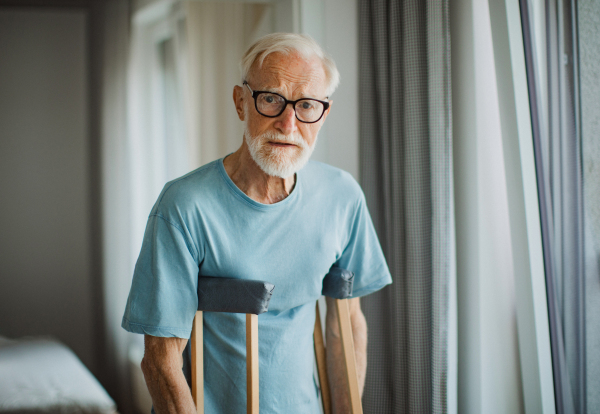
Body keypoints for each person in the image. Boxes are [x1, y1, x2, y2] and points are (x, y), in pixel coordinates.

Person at [121, 32, 392, 414]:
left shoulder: (342, 196)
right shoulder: (183, 206)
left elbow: (347, 323)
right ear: (240, 102)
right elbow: (161, 360)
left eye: (307, 106)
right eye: (271, 99)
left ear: (323, 113)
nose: (288, 123)